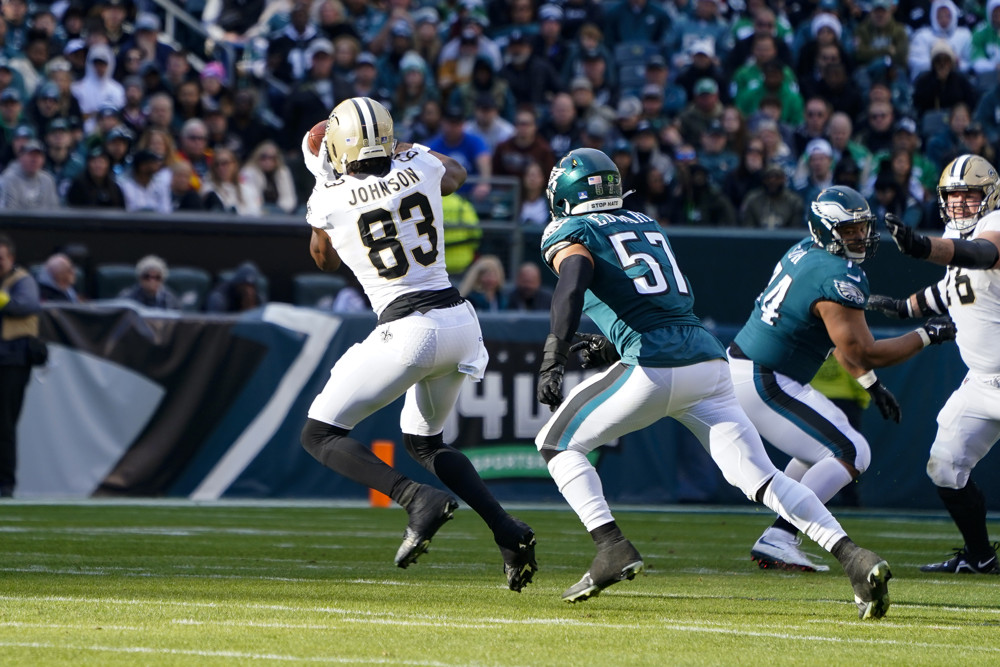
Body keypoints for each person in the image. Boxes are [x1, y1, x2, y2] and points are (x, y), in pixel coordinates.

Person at [534, 147, 892, 619]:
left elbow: (574, 278)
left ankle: (611, 546)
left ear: (564, 194)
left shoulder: (568, 230)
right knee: (763, 478)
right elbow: (656, 299)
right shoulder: (645, 222)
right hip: (706, 359)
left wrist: (553, 351)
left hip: (655, 364)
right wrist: (613, 343)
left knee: (555, 443)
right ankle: (854, 558)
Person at [300, 97, 537, 592]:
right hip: (460, 322)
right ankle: (508, 531)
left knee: (319, 435)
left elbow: (323, 261)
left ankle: (413, 498)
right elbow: (457, 175)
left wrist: (325, 178)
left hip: (408, 327)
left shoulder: (329, 196)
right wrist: (402, 149)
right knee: (425, 441)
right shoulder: (422, 164)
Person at [727, 184, 955, 572]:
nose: (860, 237)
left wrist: (871, 386)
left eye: (862, 228)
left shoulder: (805, 251)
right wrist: (926, 334)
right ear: (826, 229)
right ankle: (781, 536)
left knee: (816, 453)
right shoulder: (836, 275)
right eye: (849, 230)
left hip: (760, 372)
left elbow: (841, 347)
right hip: (765, 378)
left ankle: (780, 535)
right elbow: (863, 351)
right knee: (852, 452)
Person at [872, 154, 1000, 574]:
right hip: (981, 381)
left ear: (990, 195)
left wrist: (924, 247)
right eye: (954, 195)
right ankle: (980, 557)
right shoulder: (954, 235)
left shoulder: (993, 226)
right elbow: (951, 291)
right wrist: (900, 307)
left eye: (969, 195)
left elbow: (982, 255)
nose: (961, 203)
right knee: (945, 464)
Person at [0, 233, 42, 498]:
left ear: (11, 258)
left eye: (0, 258)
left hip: (11, 362)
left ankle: (5, 484)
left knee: (4, 424)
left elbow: (25, 305)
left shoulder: (23, 281)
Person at [117, 255, 181, 310]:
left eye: (157, 277)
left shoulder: (169, 298)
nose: (152, 281)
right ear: (140, 278)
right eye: (147, 277)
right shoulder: (128, 297)